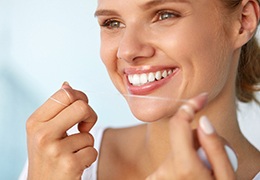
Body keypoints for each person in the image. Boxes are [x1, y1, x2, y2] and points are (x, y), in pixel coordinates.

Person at [20, 0, 260, 179]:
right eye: (112, 23)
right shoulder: (60, 162)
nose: (127, 50)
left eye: (164, 15)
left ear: (243, 21)